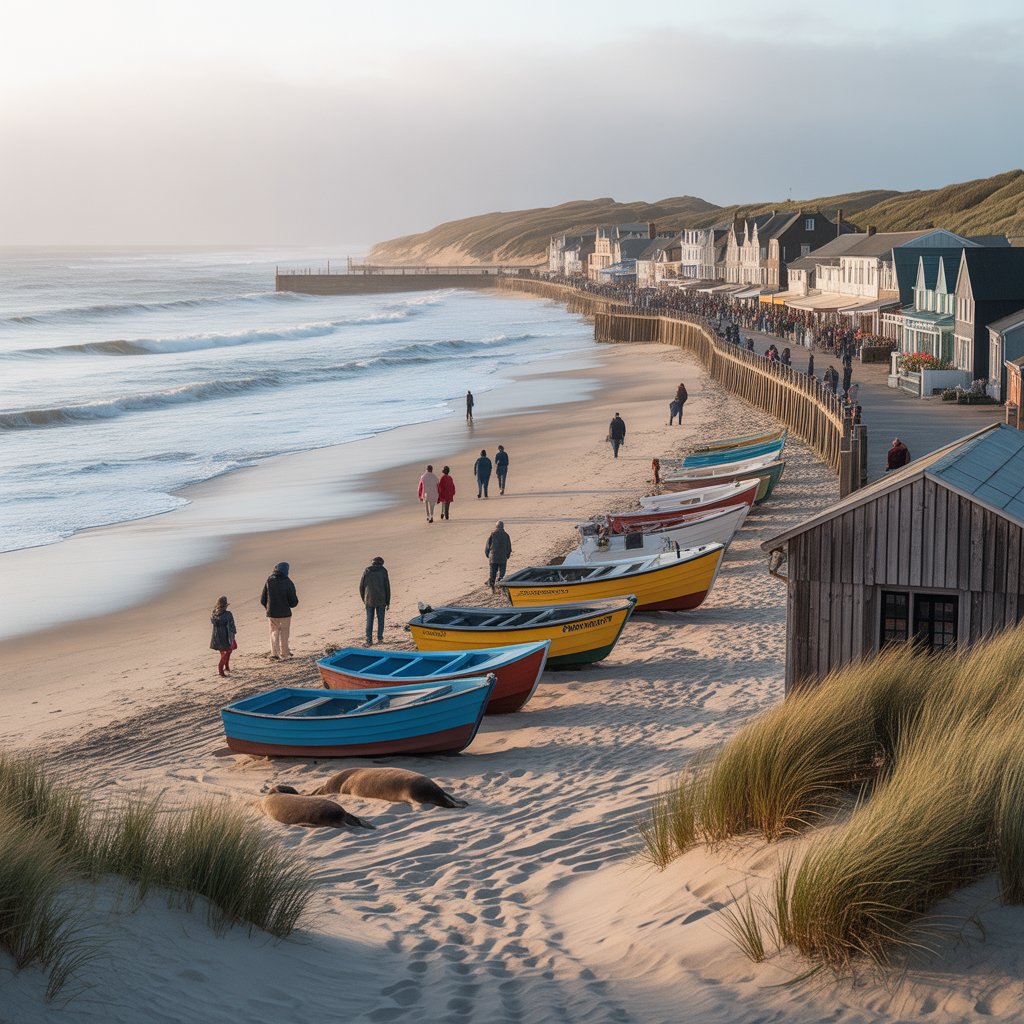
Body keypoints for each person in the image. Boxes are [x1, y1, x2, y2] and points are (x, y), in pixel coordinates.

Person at [260, 562, 298, 660]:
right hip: (285, 613)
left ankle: (274, 653)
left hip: (272, 613)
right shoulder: (288, 582)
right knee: (284, 633)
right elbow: (293, 602)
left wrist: (268, 608)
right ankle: (285, 653)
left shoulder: (269, 580)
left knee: (274, 632)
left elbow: (263, 599)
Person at [359, 556, 391, 646]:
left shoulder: (367, 570)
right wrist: (388, 601)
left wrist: (364, 599)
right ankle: (380, 638)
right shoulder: (383, 571)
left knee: (369, 620)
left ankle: (369, 640)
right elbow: (387, 587)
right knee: (381, 620)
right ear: (381, 563)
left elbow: (361, 587)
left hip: (369, 599)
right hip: (381, 599)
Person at [209, 596, 237, 678]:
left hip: (216, 637)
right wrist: (234, 633)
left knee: (223, 653)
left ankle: (226, 668)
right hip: (227, 636)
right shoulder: (228, 614)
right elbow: (232, 626)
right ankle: (222, 671)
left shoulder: (214, 614)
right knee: (228, 652)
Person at [485, 520, 512, 590]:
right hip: (503, 558)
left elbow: (487, 546)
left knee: (492, 573)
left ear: (496, 526)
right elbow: (509, 547)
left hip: (493, 558)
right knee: (501, 574)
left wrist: (487, 554)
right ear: (503, 527)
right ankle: (500, 585)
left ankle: (492, 586)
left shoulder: (493, 534)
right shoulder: (506, 535)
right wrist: (508, 555)